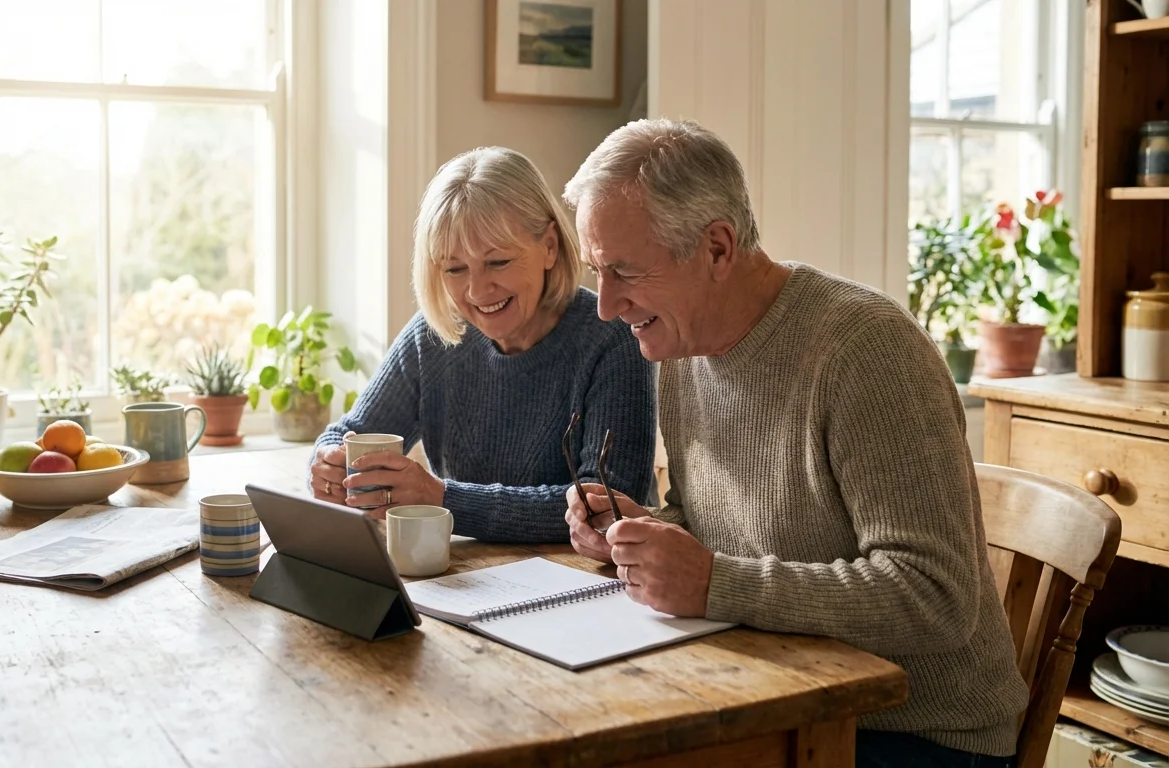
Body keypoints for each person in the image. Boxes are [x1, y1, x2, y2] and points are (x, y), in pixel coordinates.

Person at [559, 119, 1028, 767]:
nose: (606, 305)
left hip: (913, 731)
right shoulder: (679, 345)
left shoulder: (866, 351)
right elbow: (712, 524)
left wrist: (715, 583)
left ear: (717, 249)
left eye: (624, 272)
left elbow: (936, 597)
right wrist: (644, 536)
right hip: (779, 686)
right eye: (596, 272)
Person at [308, 146, 656, 542]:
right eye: (455, 268)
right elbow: (352, 431)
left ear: (549, 247)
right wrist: (328, 463)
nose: (476, 290)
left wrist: (442, 497)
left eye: (498, 262)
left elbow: (606, 505)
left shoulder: (611, 338)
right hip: (468, 577)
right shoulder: (434, 335)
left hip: (593, 582)